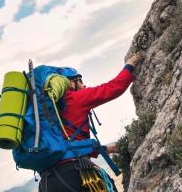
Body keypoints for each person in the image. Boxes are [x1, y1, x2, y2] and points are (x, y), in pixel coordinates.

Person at [38, 53, 143, 192]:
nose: (84, 84)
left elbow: (67, 145)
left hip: (47, 183)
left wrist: (107, 149)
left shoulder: (46, 112)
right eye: (79, 80)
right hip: (75, 173)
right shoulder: (74, 98)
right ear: (70, 83)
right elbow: (113, 88)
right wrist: (130, 66)